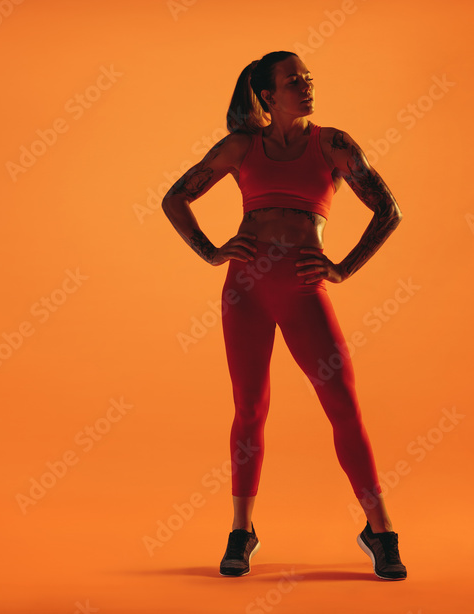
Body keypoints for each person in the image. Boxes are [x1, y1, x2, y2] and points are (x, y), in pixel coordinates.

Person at [160, 50, 406, 580]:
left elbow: (389, 210)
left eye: (309, 78)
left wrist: (343, 268)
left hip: (302, 288)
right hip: (244, 291)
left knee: (343, 405)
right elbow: (175, 198)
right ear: (268, 95)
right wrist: (209, 251)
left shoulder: (334, 144)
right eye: (294, 80)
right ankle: (241, 531)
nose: (306, 85)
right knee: (250, 408)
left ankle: (380, 531)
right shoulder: (241, 147)